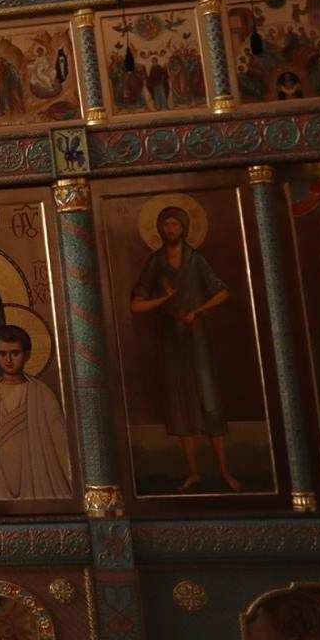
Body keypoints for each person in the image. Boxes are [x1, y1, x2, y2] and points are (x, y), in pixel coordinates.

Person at [130, 203, 240, 491]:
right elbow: (137, 305)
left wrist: (197, 311)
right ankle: (193, 472)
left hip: (197, 337)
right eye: (166, 224)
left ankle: (224, 471)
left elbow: (223, 292)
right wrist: (163, 300)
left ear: (184, 227)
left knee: (209, 399)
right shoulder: (156, 263)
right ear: (159, 229)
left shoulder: (196, 260)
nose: (170, 229)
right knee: (180, 402)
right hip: (171, 340)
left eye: (175, 224)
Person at [0, 325, 73, 501]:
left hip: (36, 468)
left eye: (15, 353)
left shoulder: (42, 392)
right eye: (3, 354)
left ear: (27, 355)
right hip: (2, 466)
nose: (9, 360)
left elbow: (60, 441)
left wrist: (71, 478)